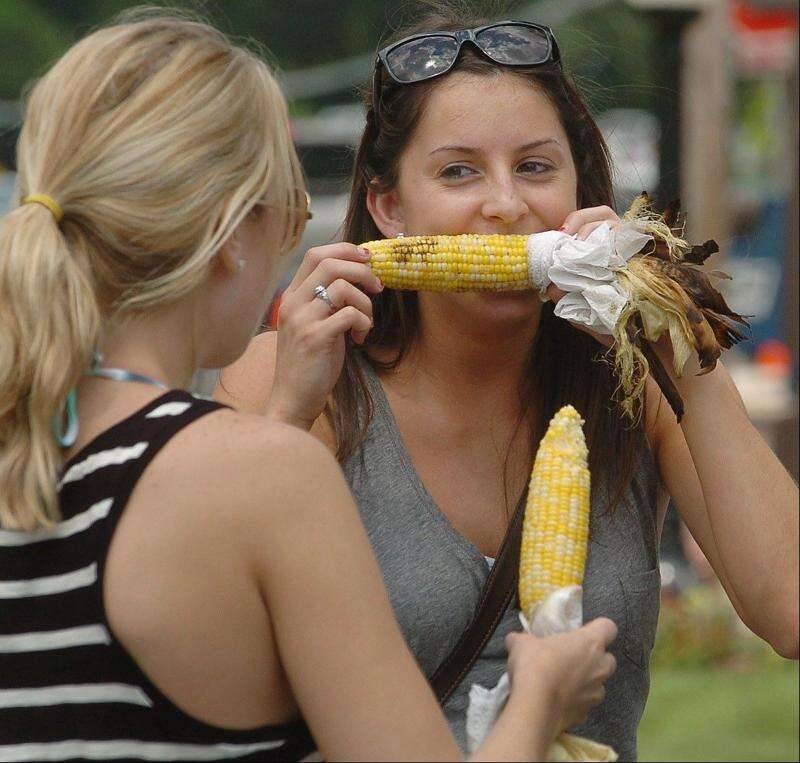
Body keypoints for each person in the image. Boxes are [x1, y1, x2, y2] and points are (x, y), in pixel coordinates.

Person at [0, 9, 621, 763]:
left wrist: (286, 409)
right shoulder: (271, 473)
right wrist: (541, 697)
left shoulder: (30, 438)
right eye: (290, 214)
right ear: (233, 235)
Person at [217, 2, 800, 759]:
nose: (507, 206)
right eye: (458, 171)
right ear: (388, 207)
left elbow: (789, 613)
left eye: (535, 167)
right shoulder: (296, 379)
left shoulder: (638, 384)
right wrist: (289, 412)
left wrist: (683, 351)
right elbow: (211, 650)